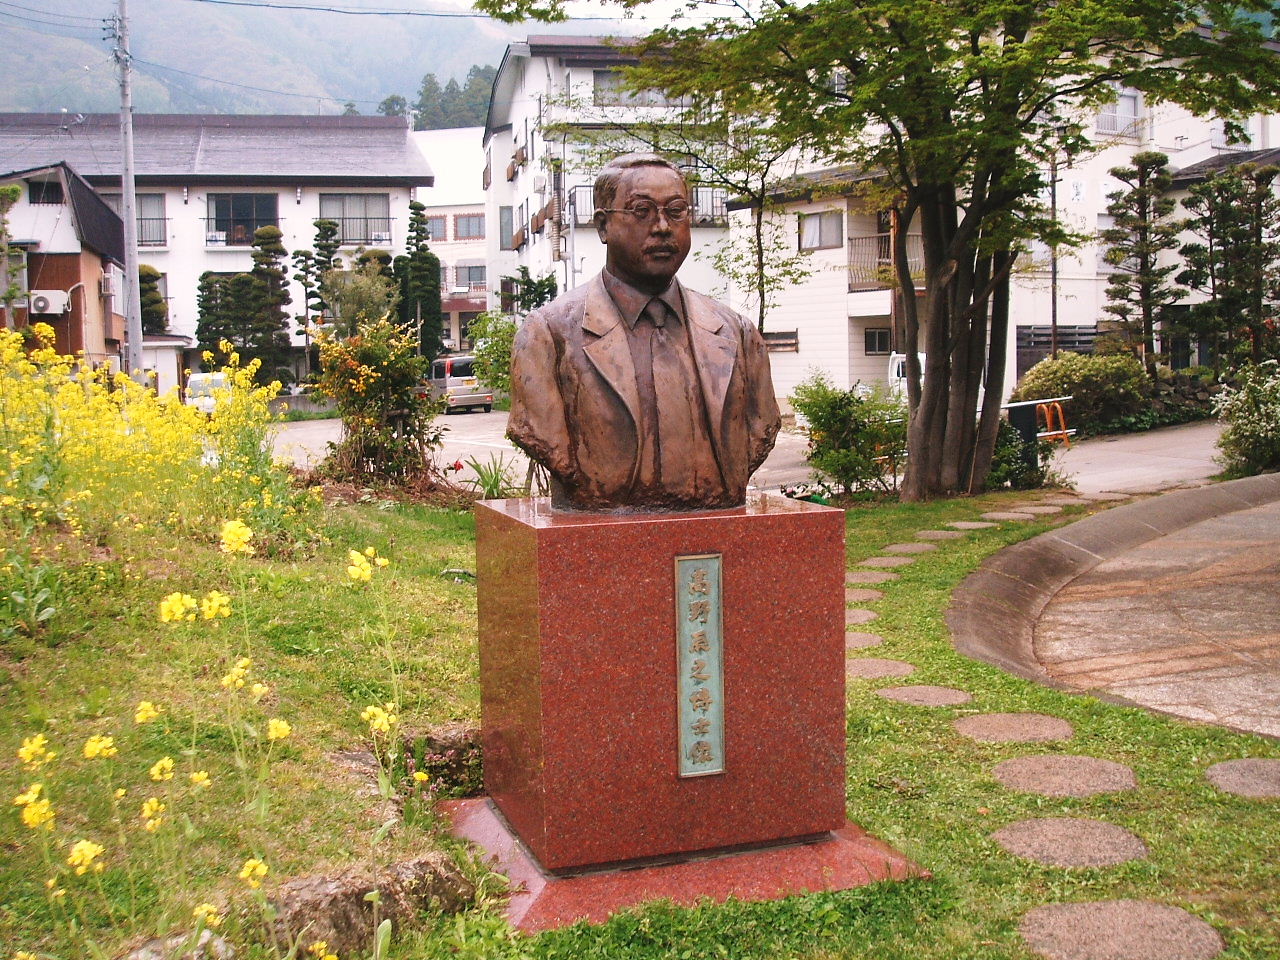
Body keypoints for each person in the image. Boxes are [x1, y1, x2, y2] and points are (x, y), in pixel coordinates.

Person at [507, 153, 780, 511]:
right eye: (642, 211)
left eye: (676, 211)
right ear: (603, 226)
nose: (663, 226)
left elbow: (760, 428)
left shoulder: (737, 334)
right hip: (601, 518)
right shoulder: (548, 336)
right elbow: (543, 437)